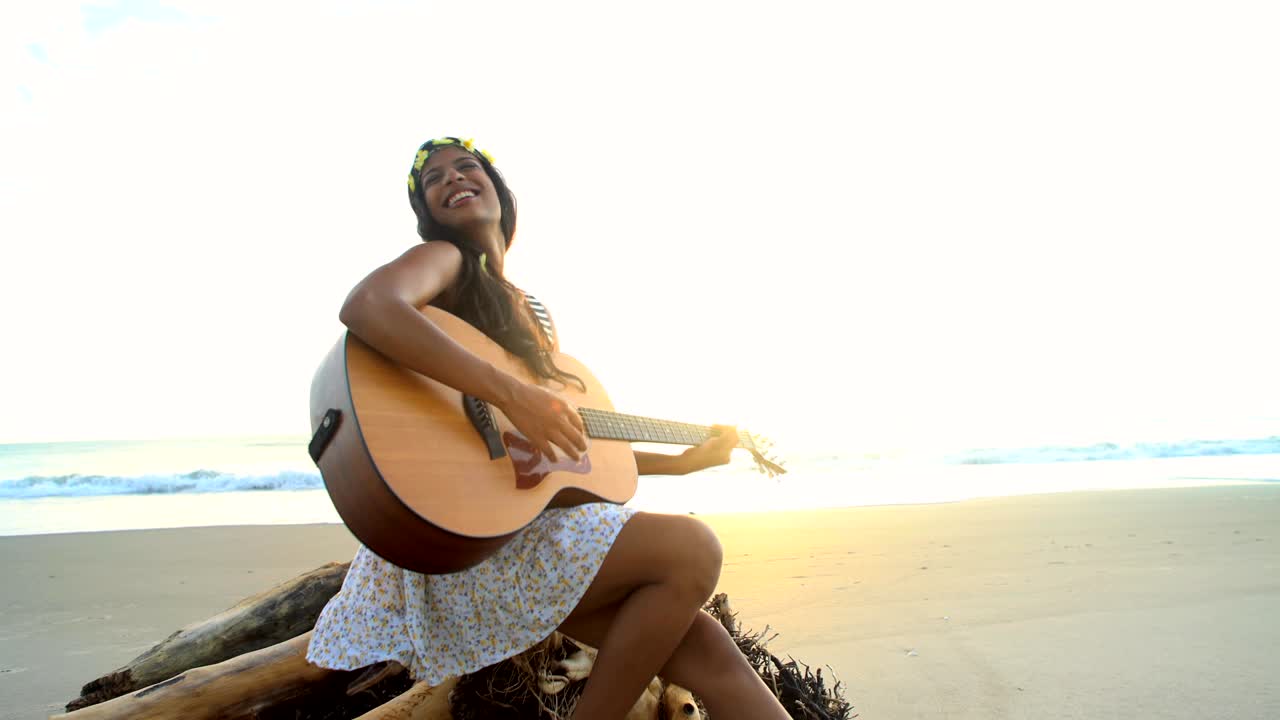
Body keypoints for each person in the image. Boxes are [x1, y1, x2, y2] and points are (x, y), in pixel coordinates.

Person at [306, 137, 790, 719]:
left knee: (704, 643)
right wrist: (510, 390)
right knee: (692, 549)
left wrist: (681, 463)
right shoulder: (448, 261)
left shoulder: (530, 310)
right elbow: (370, 305)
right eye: (433, 178)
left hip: (523, 535)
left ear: (500, 191)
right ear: (426, 213)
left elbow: (566, 462)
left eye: (467, 166)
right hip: (470, 542)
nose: (453, 178)